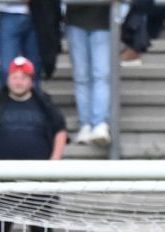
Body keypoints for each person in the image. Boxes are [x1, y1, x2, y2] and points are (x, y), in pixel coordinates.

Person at [0, 55, 63, 232]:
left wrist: (54, 160)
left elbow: (60, 130)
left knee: (41, 228)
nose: (18, 81)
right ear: (8, 79)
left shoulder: (44, 103)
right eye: (14, 77)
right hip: (4, 181)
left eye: (23, 77)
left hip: (37, 180)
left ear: (30, 80)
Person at [62, 4, 110, 145]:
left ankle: (100, 123)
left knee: (101, 75)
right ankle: (86, 124)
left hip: (104, 22)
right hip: (75, 21)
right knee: (81, 76)